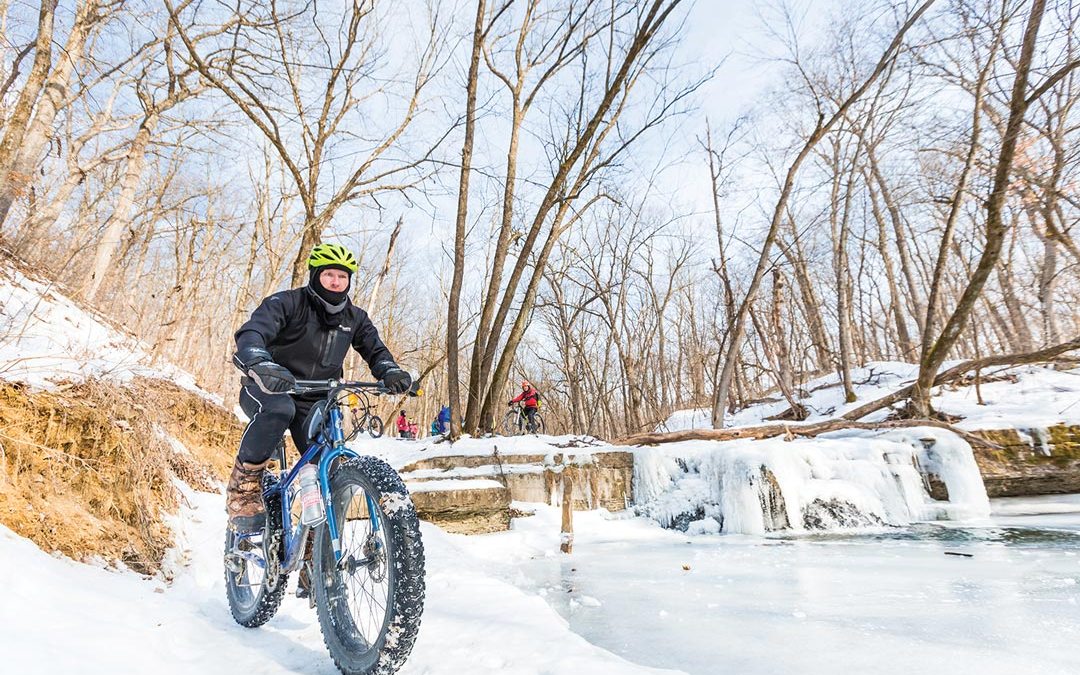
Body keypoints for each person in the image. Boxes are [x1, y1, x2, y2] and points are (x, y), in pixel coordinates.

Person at [227, 243, 412, 534]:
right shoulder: (287, 303)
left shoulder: (355, 318)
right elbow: (253, 333)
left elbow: (376, 351)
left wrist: (389, 371)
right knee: (279, 409)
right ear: (315, 275)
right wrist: (260, 361)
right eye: (329, 275)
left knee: (330, 468)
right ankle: (245, 487)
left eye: (342, 276)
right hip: (268, 387)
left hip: (317, 400)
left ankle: (317, 553)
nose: (336, 282)